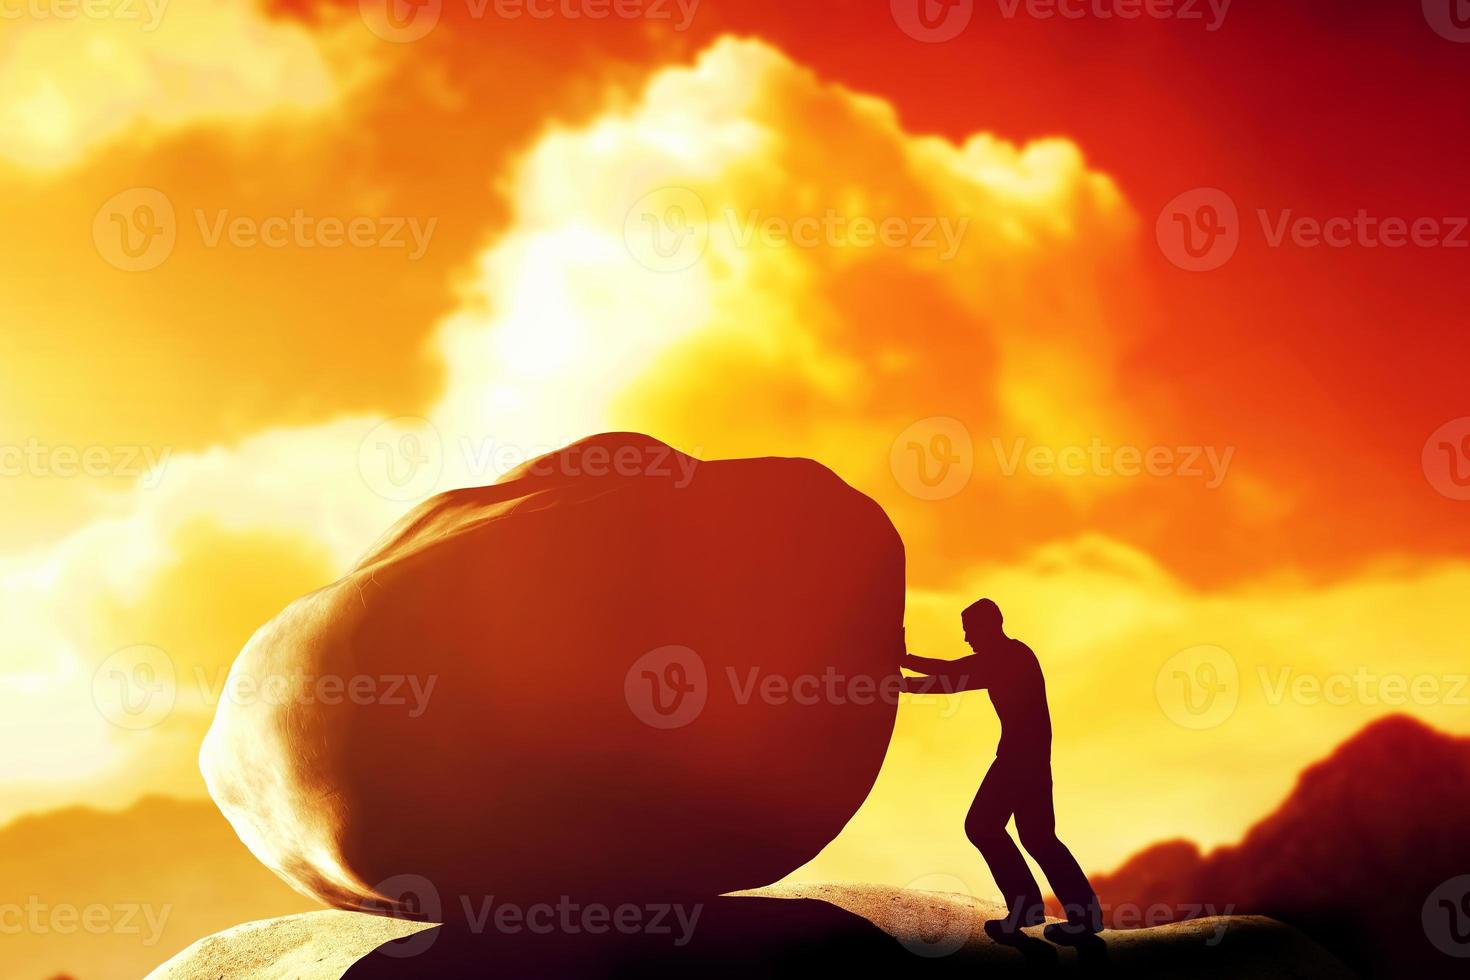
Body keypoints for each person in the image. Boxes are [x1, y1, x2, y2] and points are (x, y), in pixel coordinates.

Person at [901, 598, 1102, 941]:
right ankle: (1081, 915)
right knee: (1039, 838)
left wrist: (903, 663)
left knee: (981, 826)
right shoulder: (1009, 657)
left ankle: (1029, 907)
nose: (967, 638)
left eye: (970, 629)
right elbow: (954, 678)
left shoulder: (1010, 657)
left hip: (1018, 761)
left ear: (989, 625)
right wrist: (904, 683)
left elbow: (951, 674)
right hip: (1032, 760)